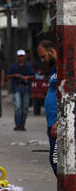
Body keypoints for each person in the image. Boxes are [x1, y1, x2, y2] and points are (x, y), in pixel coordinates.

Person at [37, 40, 58, 174]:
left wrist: (59, 121)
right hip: (53, 124)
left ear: (51, 51)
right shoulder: (55, 69)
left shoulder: (65, 67)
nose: (42, 60)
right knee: (55, 160)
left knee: (56, 160)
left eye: (43, 56)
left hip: (60, 123)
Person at [7, 49, 35, 131]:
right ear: (17, 57)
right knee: (18, 107)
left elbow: (33, 76)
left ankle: (22, 125)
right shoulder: (13, 66)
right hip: (17, 88)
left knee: (25, 108)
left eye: (22, 56)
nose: (21, 58)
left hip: (26, 88)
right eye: (19, 56)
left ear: (24, 56)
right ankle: (17, 124)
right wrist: (14, 75)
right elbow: (8, 76)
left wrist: (27, 77)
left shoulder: (28, 66)